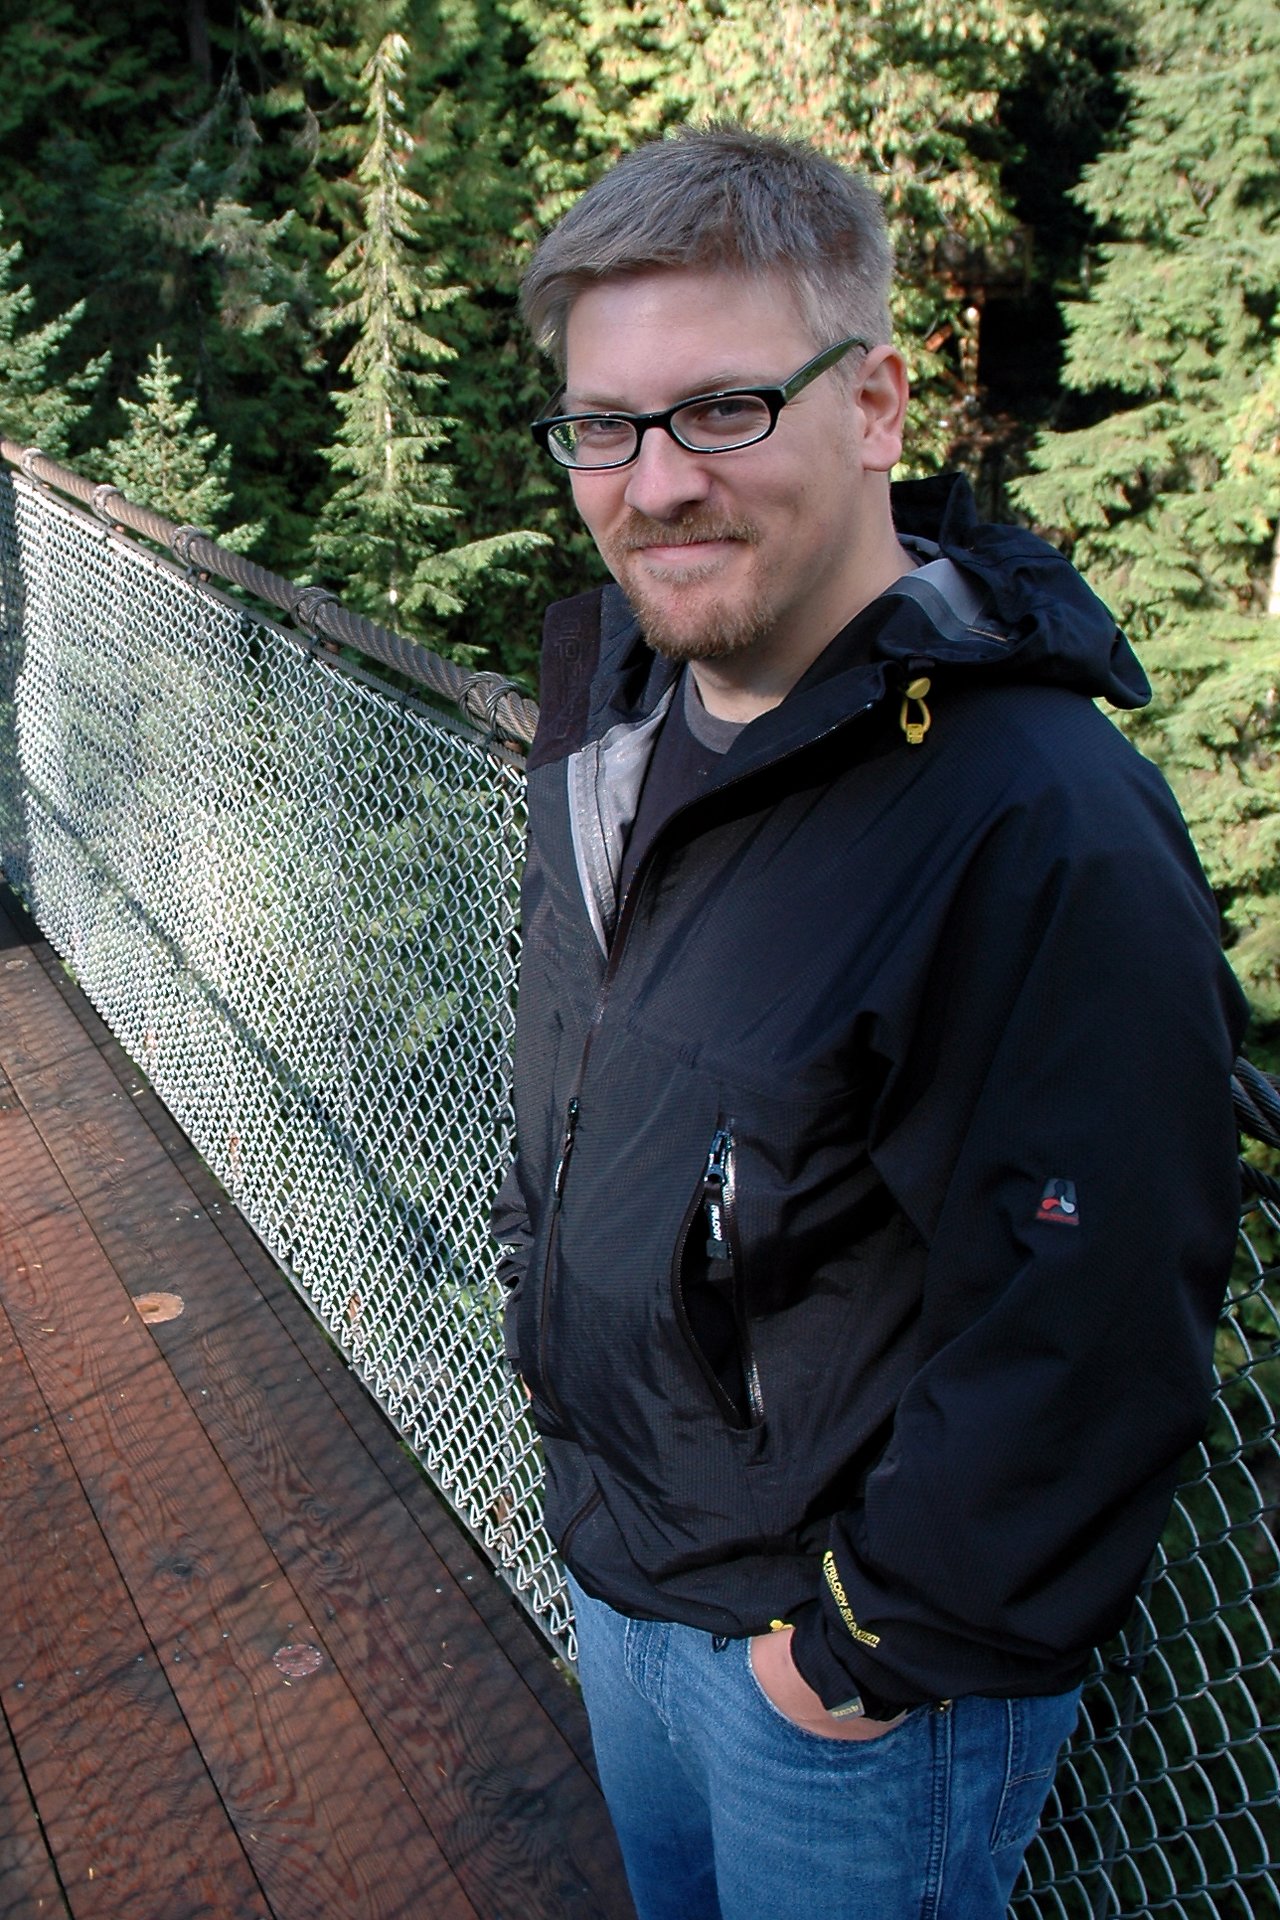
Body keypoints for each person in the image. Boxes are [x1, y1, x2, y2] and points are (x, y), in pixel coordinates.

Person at [492, 125, 1247, 1920]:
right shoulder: (611, 712)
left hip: (834, 1684)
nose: (656, 481)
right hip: (618, 1562)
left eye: (727, 408)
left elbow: (1101, 1308)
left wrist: (855, 1651)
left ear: (880, 407)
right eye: (606, 424)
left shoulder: (1037, 816)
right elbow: (575, 1077)